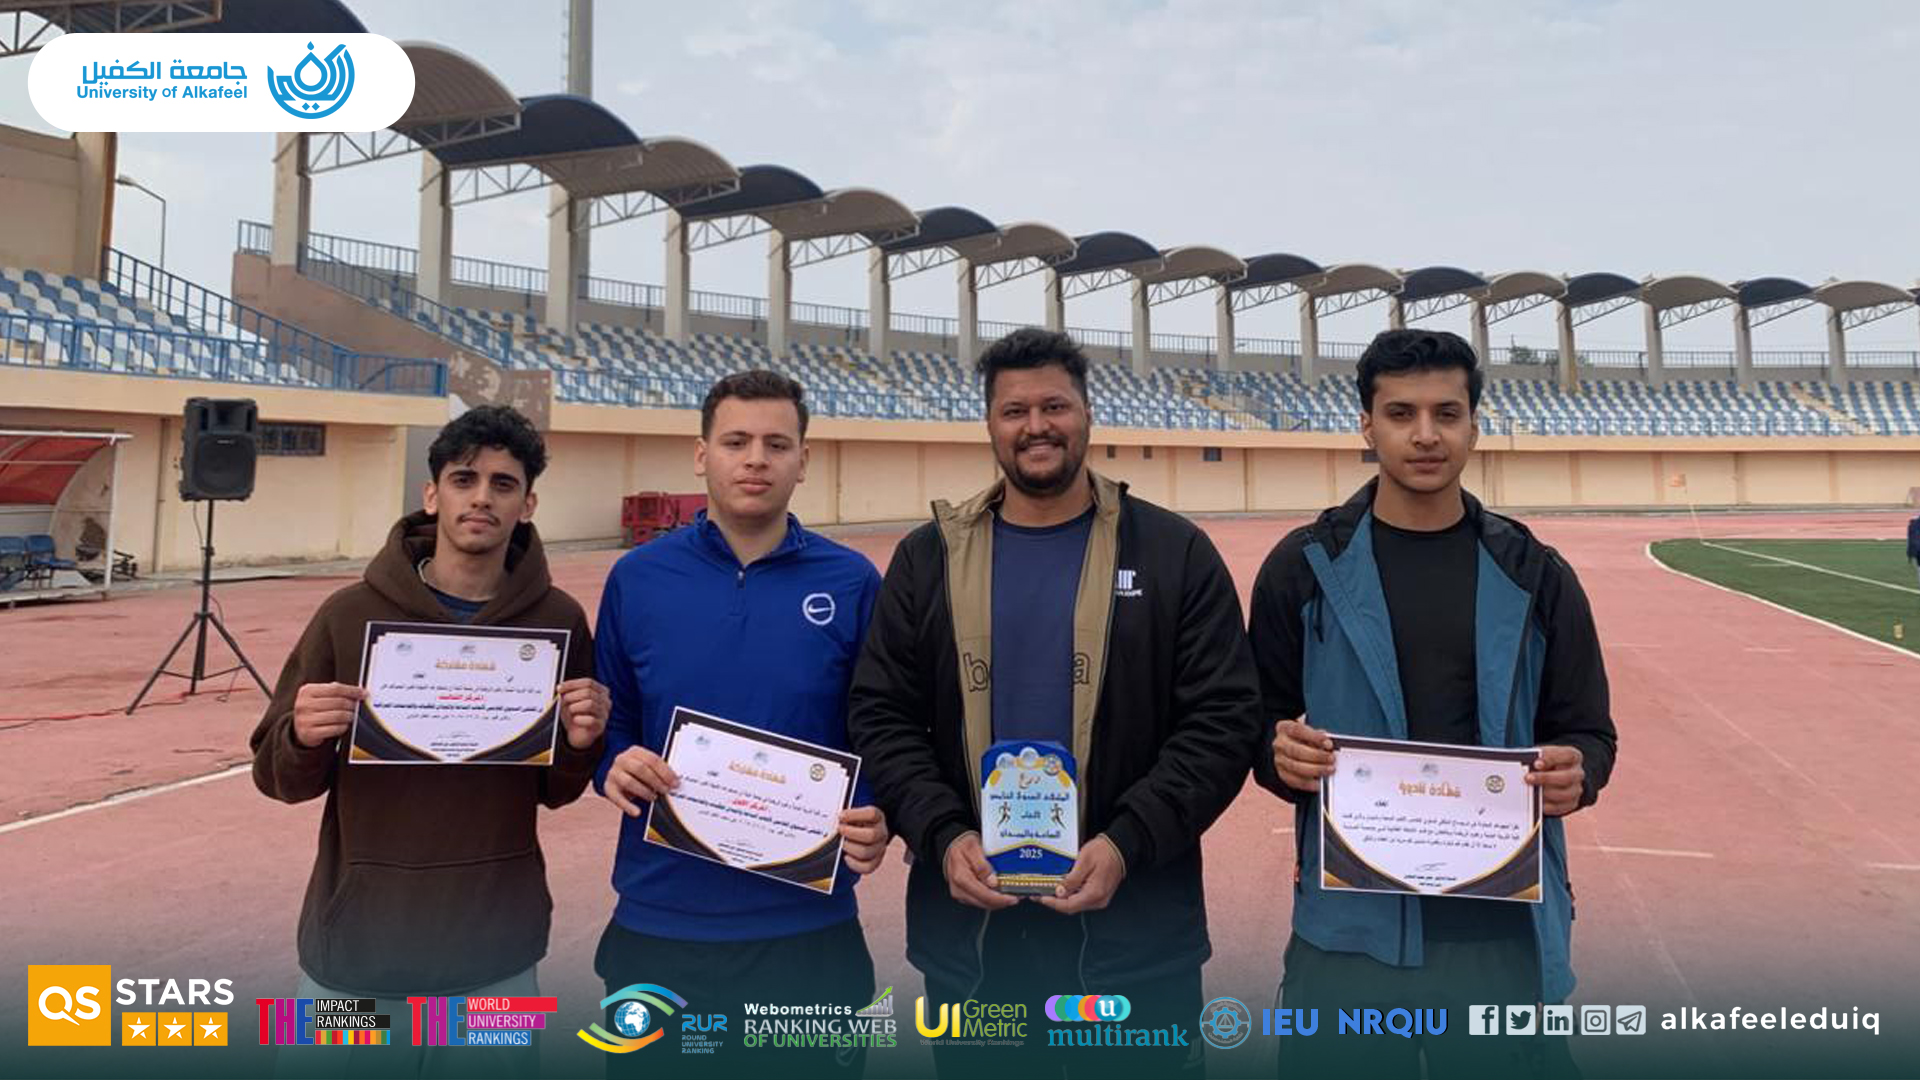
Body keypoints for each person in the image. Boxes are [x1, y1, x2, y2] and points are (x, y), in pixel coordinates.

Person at [848, 328, 1263, 1080]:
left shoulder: (1173, 551)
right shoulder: (928, 557)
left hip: (1136, 940)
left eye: (1054, 406)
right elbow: (883, 714)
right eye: (1015, 411)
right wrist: (943, 835)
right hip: (975, 941)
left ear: (1087, 414)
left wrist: (1127, 843)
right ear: (989, 424)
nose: (1036, 426)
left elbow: (1223, 721)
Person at [1249, 330, 1618, 1080]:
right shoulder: (1304, 567)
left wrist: (1578, 772)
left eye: (1447, 413)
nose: (1425, 435)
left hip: (1500, 933)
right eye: (1401, 414)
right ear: (1366, 425)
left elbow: (1588, 731)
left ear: (1474, 425)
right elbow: (1254, 722)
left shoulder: (1536, 573)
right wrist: (1276, 753)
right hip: (1349, 934)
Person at [250, 404, 609, 1078]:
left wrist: (582, 741)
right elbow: (278, 780)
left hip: (497, 959)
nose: (482, 498)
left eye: (503, 484)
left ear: (527, 505)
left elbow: (556, 790)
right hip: (354, 957)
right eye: (464, 479)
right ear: (432, 494)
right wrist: (300, 734)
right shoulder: (348, 614)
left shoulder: (558, 622)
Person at [592, 370, 890, 1079]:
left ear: (802, 461)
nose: (756, 459)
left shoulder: (852, 582)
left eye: (776, 444)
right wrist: (613, 764)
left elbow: (882, 728)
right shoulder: (638, 577)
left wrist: (879, 810)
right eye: (736, 442)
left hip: (808, 931)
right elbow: (613, 717)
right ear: (702, 455)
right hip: (660, 924)